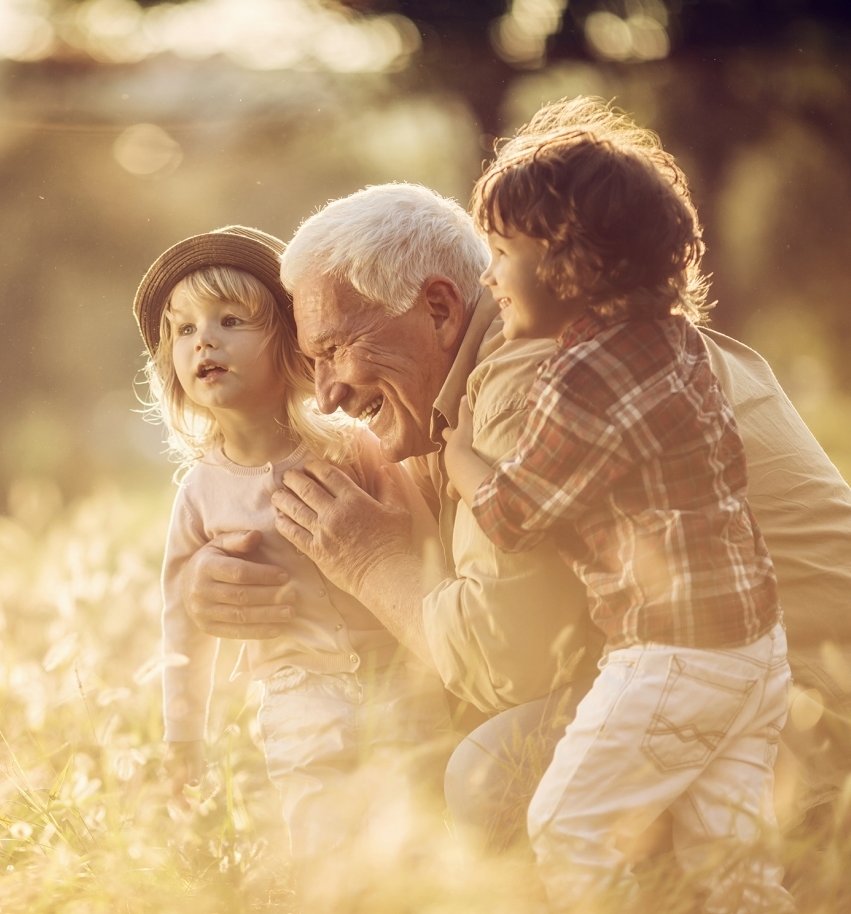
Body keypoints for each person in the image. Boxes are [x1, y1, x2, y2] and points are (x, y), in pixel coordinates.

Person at [175, 177, 851, 867]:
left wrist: (373, 565)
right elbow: (456, 589)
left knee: (489, 773)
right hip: (743, 679)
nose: (328, 393)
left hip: (806, 704)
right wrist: (217, 574)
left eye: (335, 350)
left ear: (439, 307)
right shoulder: (466, 390)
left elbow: (504, 658)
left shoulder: (526, 376)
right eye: (310, 363)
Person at [440, 97, 793, 912]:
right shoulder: (675, 338)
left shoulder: (582, 376)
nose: (488, 278)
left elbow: (513, 515)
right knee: (733, 867)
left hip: (674, 656)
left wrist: (457, 452)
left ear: (572, 263)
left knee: (568, 826)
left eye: (499, 252)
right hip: (754, 651)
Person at [131, 225, 449, 863]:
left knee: (416, 830)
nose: (205, 341)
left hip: (398, 681)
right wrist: (183, 739)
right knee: (320, 834)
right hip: (297, 694)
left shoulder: (351, 446)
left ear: (291, 345)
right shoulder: (198, 494)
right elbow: (182, 628)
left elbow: (425, 544)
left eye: (229, 320)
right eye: (184, 330)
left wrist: (440, 673)